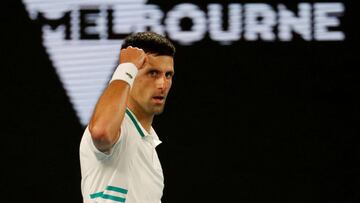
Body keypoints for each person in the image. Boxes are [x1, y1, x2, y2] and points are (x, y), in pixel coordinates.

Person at [79, 32, 176, 203]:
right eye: (153, 73)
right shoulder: (119, 128)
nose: (163, 84)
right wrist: (127, 67)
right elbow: (102, 132)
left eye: (168, 75)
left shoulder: (149, 150)